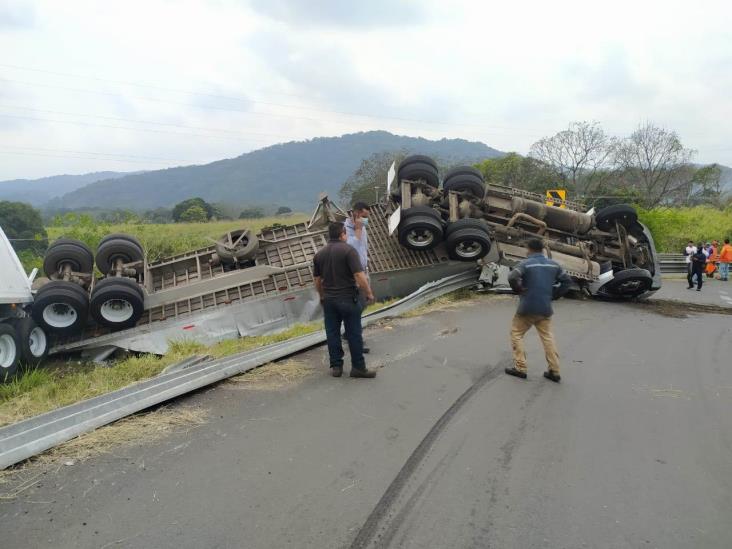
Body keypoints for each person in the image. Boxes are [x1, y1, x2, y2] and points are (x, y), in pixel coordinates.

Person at [313, 222, 377, 378]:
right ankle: (358, 368)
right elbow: (358, 275)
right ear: (342, 234)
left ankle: (336, 367)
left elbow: (317, 280)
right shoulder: (349, 251)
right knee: (353, 333)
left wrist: (322, 296)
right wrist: (368, 292)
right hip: (348, 298)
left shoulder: (319, 255)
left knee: (332, 333)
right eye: (345, 233)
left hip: (329, 300)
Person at [505, 238, 572, 383]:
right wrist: (555, 295)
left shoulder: (526, 264)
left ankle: (520, 368)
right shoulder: (554, 265)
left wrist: (519, 289)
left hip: (527, 308)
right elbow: (567, 281)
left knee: (516, 333)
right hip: (545, 309)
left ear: (529, 249)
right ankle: (554, 371)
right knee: (547, 337)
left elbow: (512, 276)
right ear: (542, 249)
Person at [345, 201, 372, 352]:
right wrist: (357, 229)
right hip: (353, 274)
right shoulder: (346, 229)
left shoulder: (362, 227)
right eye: (364, 215)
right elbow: (351, 248)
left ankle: (349, 333)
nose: (366, 218)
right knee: (358, 306)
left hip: (363, 269)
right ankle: (356, 340)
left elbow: (363, 247)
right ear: (356, 213)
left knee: (362, 305)